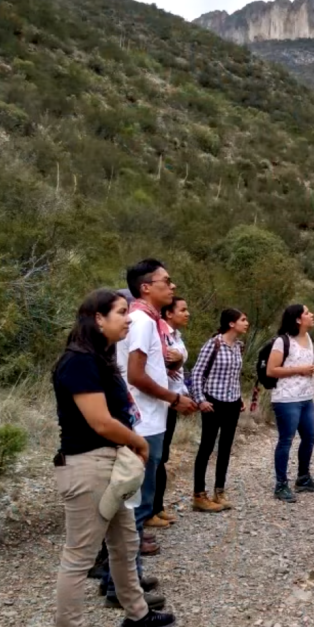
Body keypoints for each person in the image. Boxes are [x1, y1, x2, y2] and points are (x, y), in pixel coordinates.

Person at [52, 289, 176, 627]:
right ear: (97, 318)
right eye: (121, 312)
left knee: (124, 544)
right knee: (79, 557)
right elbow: (101, 422)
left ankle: (137, 615)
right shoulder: (78, 362)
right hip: (89, 468)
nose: (128, 319)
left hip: (110, 466)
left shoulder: (97, 358)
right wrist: (138, 444)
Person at [103, 260, 196, 607]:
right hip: (144, 425)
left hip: (147, 420)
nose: (171, 287)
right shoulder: (142, 322)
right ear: (146, 287)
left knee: (132, 507)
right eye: (166, 281)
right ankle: (123, 588)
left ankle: (122, 580)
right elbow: (137, 375)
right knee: (135, 509)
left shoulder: (147, 321)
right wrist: (174, 398)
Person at [190, 308, 249, 512]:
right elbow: (197, 373)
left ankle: (220, 491)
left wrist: (239, 397)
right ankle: (199, 494)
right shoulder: (213, 344)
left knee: (225, 447)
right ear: (231, 324)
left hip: (232, 402)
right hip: (213, 402)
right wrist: (200, 400)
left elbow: (234, 375)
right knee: (206, 447)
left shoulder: (238, 347)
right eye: (243, 319)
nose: (246, 323)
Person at [267, 304, 314, 502]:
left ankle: (303, 478)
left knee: (310, 437)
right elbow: (271, 370)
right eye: (307, 313)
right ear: (298, 319)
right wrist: (300, 370)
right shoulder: (282, 342)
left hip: (306, 397)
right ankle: (281, 484)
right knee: (286, 439)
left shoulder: (309, 338)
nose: (312, 315)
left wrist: (311, 369)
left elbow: (303, 366)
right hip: (286, 399)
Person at [145, 296, 190, 528]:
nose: (187, 313)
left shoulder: (175, 336)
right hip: (161, 401)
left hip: (171, 401)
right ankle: (149, 510)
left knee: (162, 456)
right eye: (183, 310)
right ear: (168, 314)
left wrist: (179, 359)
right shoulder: (157, 332)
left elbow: (178, 363)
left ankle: (157, 506)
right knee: (155, 457)